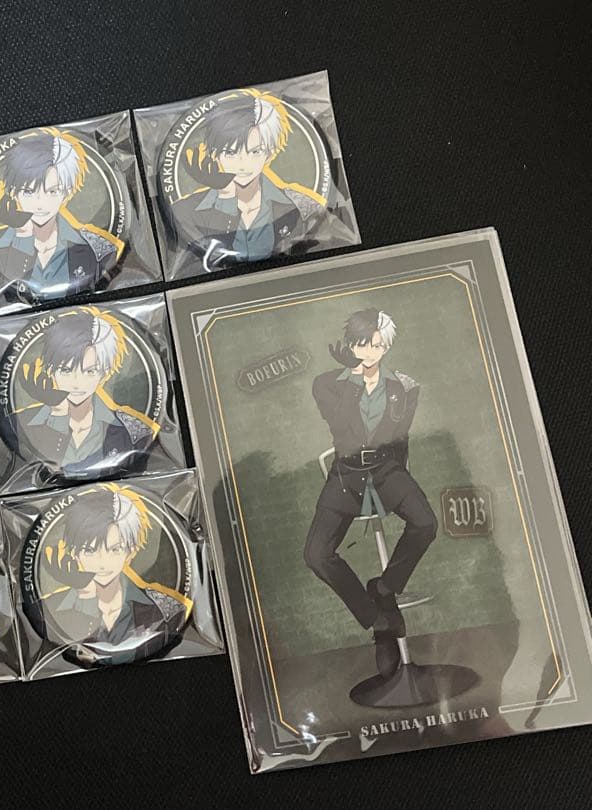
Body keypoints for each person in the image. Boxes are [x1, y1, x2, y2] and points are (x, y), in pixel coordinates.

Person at [304, 308, 438, 678]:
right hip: (346, 475)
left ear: (387, 347)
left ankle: (384, 588)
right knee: (316, 554)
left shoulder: (404, 387)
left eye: (376, 345)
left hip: (386, 470)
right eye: (361, 344)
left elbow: (400, 436)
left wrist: (402, 482)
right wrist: (354, 378)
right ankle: (377, 620)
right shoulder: (326, 384)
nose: (368, 352)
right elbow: (340, 423)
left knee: (426, 523)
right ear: (350, 345)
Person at [172, 90, 323, 267]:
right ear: (214, 154)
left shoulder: (302, 207)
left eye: (255, 152)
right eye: (230, 153)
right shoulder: (184, 211)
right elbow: (213, 254)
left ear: (269, 153)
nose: (243, 164)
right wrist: (226, 198)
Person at [0, 131, 117, 300]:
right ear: (13, 192)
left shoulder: (98, 249)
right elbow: (7, 291)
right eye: (28, 192)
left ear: (66, 192)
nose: (40, 203)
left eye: (52, 191)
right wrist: (23, 236)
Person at [41, 485, 184, 646]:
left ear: (130, 552)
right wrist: (85, 596)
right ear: (74, 553)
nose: (103, 563)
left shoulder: (165, 607)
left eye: (115, 549)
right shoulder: (48, 608)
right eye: (89, 551)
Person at [20, 308, 155, 475]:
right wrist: (58, 415)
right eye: (66, 370)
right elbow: (43, 470)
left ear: (104, 373)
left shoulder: (133, 431)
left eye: (90, 371)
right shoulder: (22, 423)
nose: (77, 383)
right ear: (50, 371)